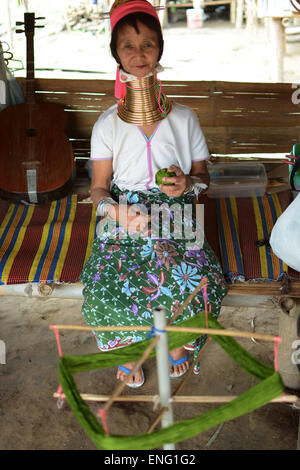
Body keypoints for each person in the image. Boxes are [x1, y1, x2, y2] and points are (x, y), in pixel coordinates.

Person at [80, 0, 227, 388]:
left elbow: (202, 179)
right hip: (123, 211)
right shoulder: (108, 124)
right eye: (128, 44)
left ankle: (177, 343)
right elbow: (97, 189)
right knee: (103, 288)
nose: (139, 53)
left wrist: (187, 185)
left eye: (148, 43)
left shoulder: (184, 118)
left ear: (160, 48)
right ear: (116, 53)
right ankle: (135, 351)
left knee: (192, 280)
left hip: (176, 210)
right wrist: (117, 212)